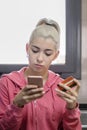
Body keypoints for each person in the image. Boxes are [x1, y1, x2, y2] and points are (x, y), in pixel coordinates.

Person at [0, 18, 82, 130]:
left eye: (47, 53)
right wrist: (16, 105)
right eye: (35, 50)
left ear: (55, 55)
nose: (39, 58)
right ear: (27, 48)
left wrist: (71, 108)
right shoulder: (6, 83)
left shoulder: (62, 87)